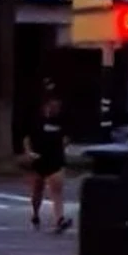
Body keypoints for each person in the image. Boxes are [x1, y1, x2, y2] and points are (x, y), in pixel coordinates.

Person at [28, 91, 73, 232]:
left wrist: (62, 146)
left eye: (57, 107)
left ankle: (59, 219)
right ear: (46, 107)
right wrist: (29, 152)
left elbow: (67, 137)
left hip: (56, 159)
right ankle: (35, 214)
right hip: (39, 159)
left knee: (56, 190)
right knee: (37, 190)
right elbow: (27, 138)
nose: (55, 109)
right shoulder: (37, 121)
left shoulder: (63, 121)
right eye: (52, 106)